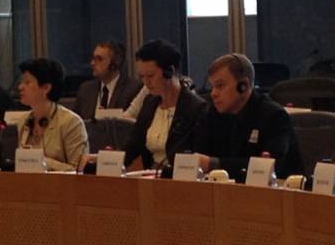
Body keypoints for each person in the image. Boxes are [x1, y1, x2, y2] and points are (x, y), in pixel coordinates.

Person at [196, 53, 303, 181]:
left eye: (220, 86)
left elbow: (270, 167)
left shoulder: (274, 116)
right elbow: (200, 156)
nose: (213, 93)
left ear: (243, 86)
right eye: (213, 86)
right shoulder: (212, 114)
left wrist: (213, 164)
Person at [123, 39, 208, 169]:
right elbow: (133, 146)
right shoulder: (149, 104)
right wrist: (104, 159)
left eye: (150, 76)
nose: (146, 82)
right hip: (150, 177)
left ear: (169, 71)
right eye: (142, 76)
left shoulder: (196, 108)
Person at [17, 58, 89, 171]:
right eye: (21, 82)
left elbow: (78, 170)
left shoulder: (71, 122)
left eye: (27, 82)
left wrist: (42, 162)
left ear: (46, 88)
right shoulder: (23, 121)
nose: (20, 87)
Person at [73, 40, 143, 120]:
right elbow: (76, 122)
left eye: (99, 59)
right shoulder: (86, 90)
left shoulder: (133, 89)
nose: (92, 63)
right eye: (93, 58)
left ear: (115, 63)